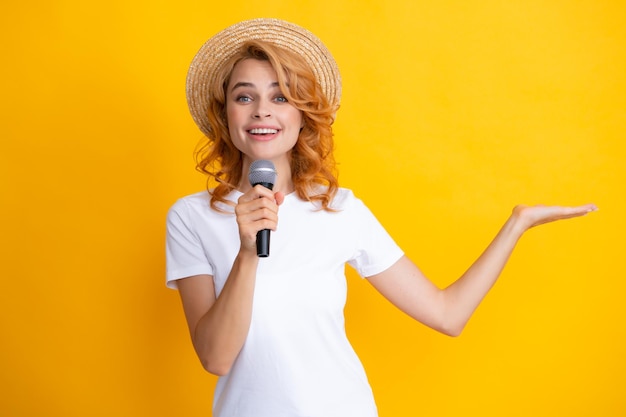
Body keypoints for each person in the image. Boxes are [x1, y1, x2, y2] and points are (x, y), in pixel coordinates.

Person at [166, 18, 597, 417]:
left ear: (302, 115)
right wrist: (247, 253)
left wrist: (516, 224)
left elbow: (447, 315)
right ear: (227, 115)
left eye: (280, 96)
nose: (262, 110)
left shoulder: (339, 210)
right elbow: (216, 358)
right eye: (245, 96)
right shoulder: (191, 218)